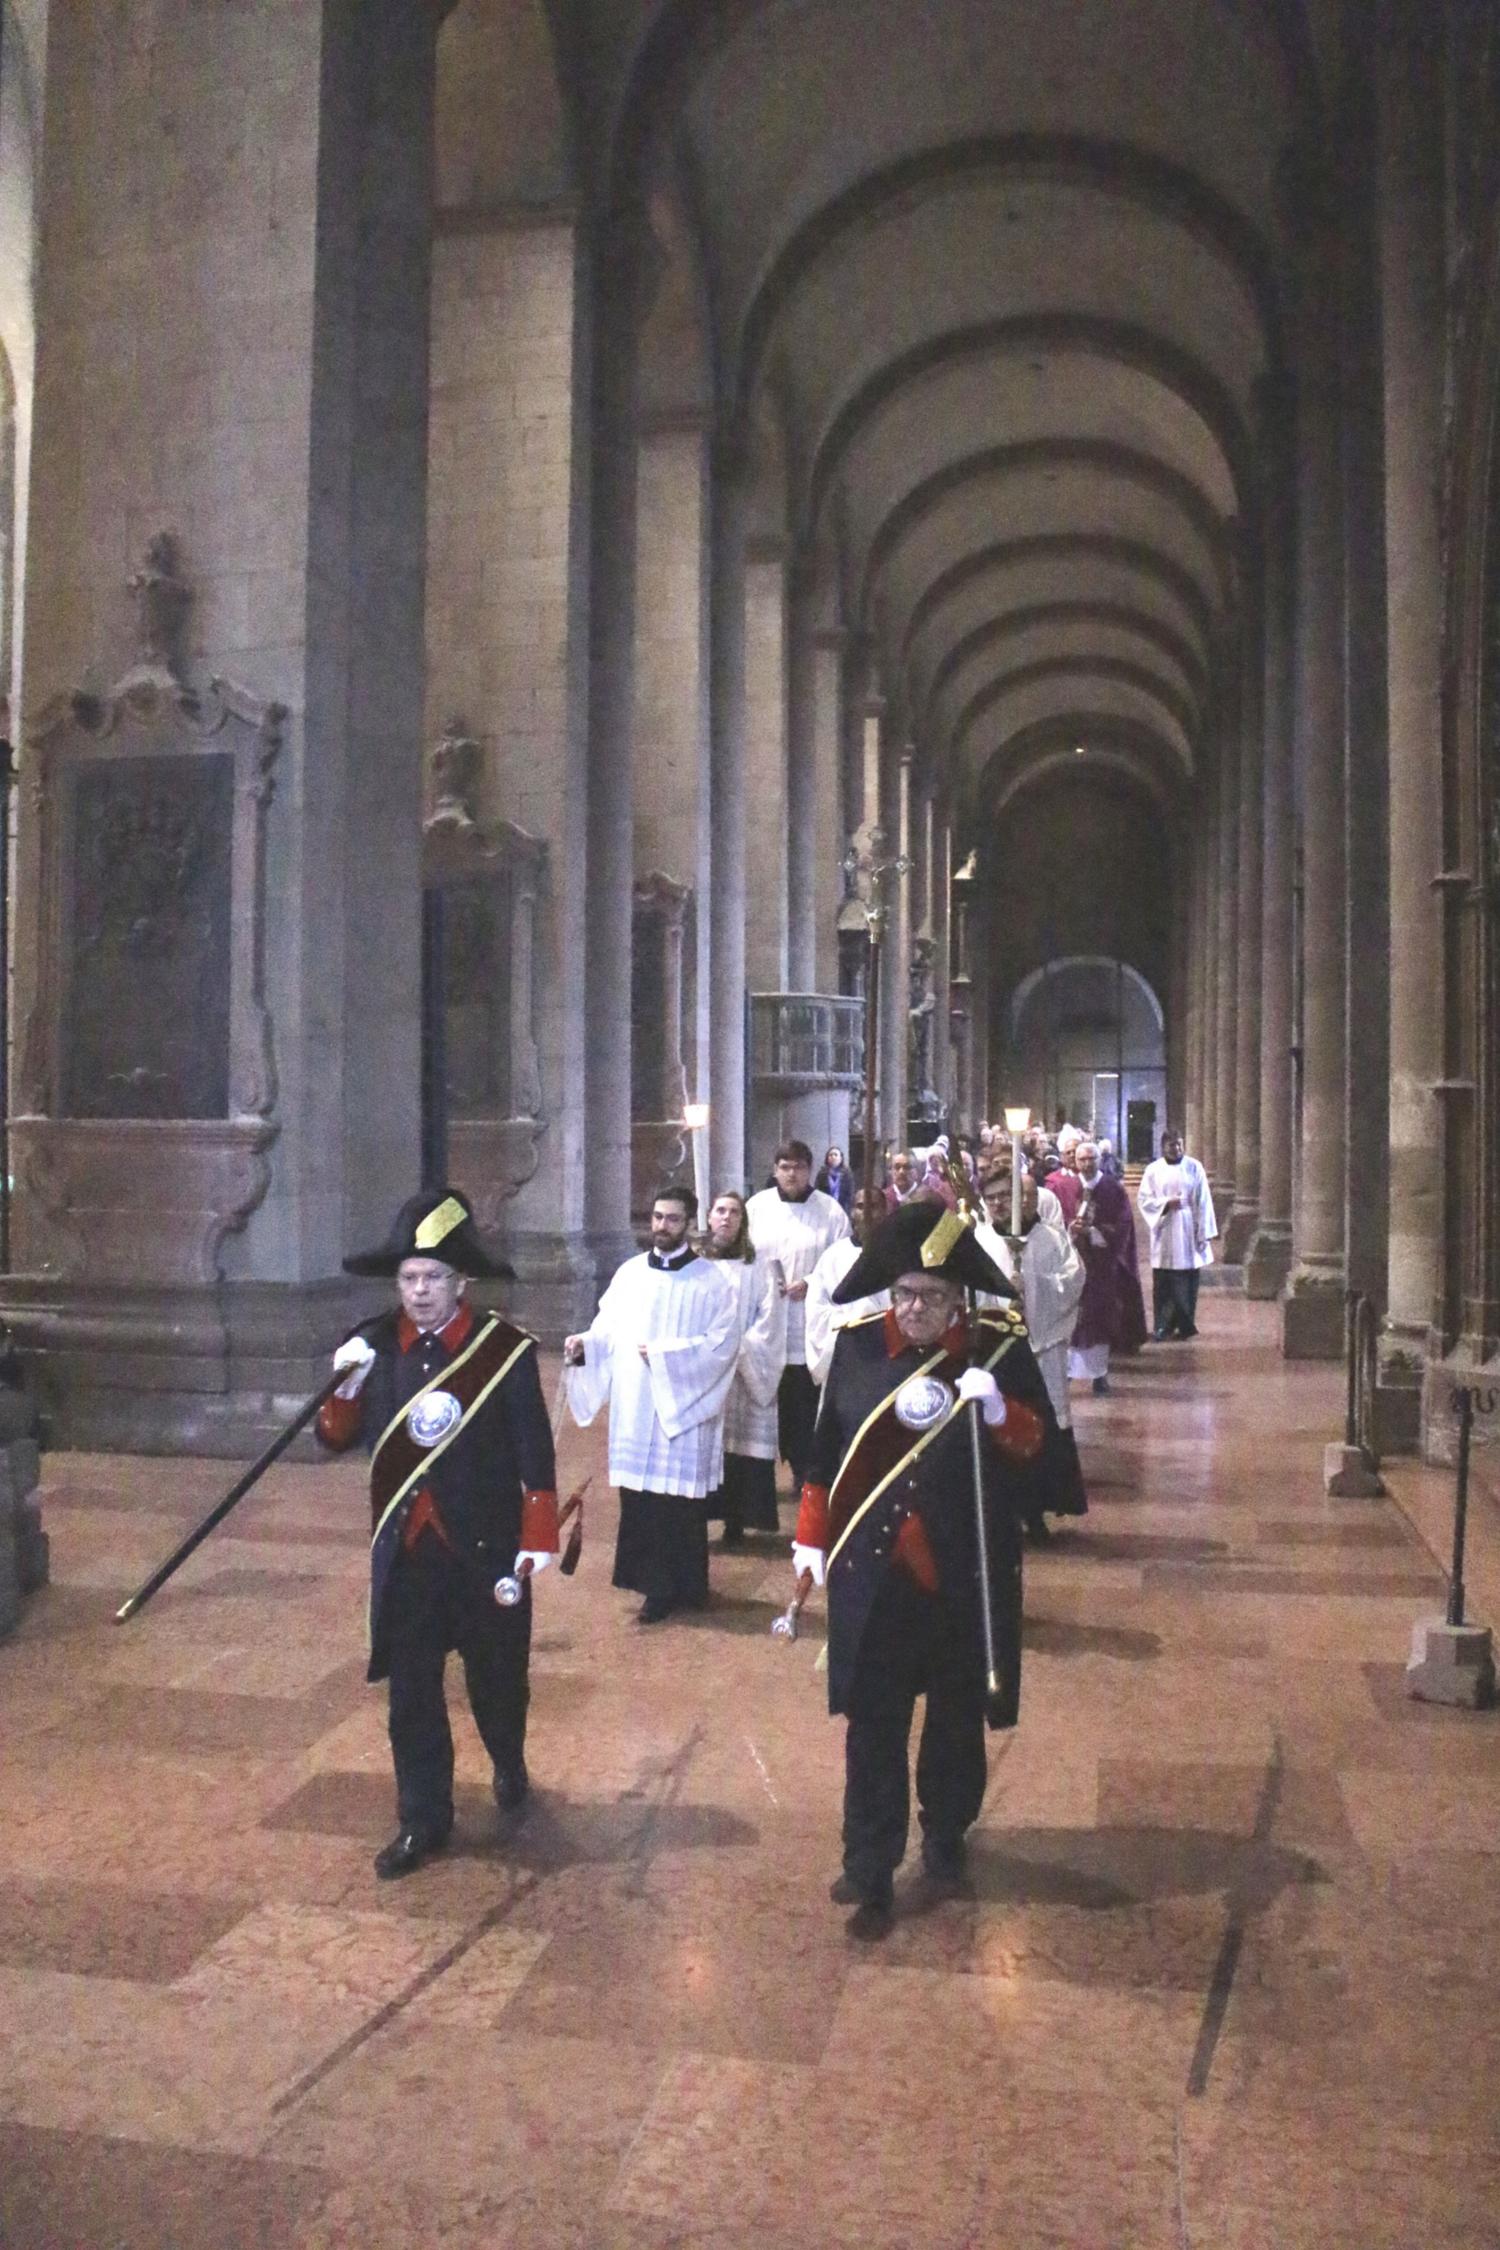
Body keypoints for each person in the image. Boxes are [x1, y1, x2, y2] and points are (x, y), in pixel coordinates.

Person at [792, 1201, 1049, 1930]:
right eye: (904, 1294)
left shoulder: (997, 1352)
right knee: (872, 1726)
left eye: (932, 1298)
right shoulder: (857, 1347)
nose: (914, 1310)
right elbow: (825, 1454)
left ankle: (945, 1829)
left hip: (962, 1576)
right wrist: (811, 1539)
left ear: (958, 1299)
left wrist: (1001, 1412)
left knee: (953, 1721)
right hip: (873, 1580)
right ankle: (867, 1868)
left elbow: (1042, 1459)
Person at [317, 1188, 558, 1880]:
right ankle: (424, 1818)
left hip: (485, 1550)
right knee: (412, 1692)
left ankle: (508, 1760)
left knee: (498, 1681)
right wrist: (347, 1388)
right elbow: (334, 1437)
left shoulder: (503, 1352)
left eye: (432, 1279)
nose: (418, 1292)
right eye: (408, 1279)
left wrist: (536, 1532)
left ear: (461, 1284)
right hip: (410, 1553)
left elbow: (533, 1450)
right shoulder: (371, 1346)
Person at [564, 1184, 740, 1623]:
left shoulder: (713, 1282)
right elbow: (607, 1330)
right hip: (636, 1407)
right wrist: (584, 1345)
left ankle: (687, 1584)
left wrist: (665, 1355)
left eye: (672, 1219)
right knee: (640, 1500)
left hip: (682, 1409)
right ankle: (653, 1586)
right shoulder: (629, 1274)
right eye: (657, 1217)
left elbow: (723, 1345)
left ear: (690, 1224)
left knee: (677, 1505)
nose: (662, 1226)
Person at [977, 1171, 1088, 1530]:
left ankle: (1037, 1509)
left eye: (1004, 1197)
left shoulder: (1051, 1238)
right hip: (997, 1352)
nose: (997, 1204)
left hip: (1041, 1349)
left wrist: (1034, 1287)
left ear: (1022, 1199)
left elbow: (1073, 1282)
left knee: (1043, 1424)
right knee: (999, 1425)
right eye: (990, 1198)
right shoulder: (977, 1241)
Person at [745, 1140, 851, 1490]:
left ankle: (805, 1471)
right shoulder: (756, 1208)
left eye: (799, 1167)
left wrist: (811, 1281)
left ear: (809, 1170)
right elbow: (743, 1258)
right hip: (765, 1320)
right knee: (765, 1399)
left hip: (807, 1322)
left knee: (803, 1401)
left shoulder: (830, 1211)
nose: (791, 1174)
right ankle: (761, 1479)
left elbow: (842, 1260)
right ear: (775, 1170)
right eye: (785, 1166)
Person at [701, 1188, 786, 1545]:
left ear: (743, 1220)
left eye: (734, 1211)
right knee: (710, 1446)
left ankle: (738, 1519)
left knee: (743, 1447)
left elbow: (772, 1314)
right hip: (708, 1371)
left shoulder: (761, 1265)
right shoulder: (696, 1266)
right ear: (709, 1217)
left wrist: (742, 1347)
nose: (726, 1217)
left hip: (748, 1367)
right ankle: (707, 1513)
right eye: (720, 1210)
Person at [1051, 1135, 1147, 1394]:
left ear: (1099, 1159)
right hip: (1072, 1263)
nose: (1086, 1163)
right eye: (1081, 1159)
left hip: (1101, 1265)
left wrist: (1094, 1231)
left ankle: (1099, 1374)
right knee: (1074, 1319)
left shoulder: (1112, 1189)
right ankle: (1069, 1372)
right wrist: (1071, 1230)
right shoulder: (1065, 1188)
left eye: (1091, 1158)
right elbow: (1052, 1222)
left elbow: (1124, 1223)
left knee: (1099, 1318)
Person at [804, 1186, 889, 1384]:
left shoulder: (899, 1255)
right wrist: (855, 1318)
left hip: (888, 1358)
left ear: (885, 1211)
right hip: (844, 1359)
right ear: (851, 1213)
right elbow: (816, 1311)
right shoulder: (833, 1256)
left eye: (874, 1206)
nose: (866, 1214)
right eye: (860, 1207)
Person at [1137, 1129, 1218, 1339]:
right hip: (1165, 1228)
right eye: (1172, 1145)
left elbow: (1203, 1200)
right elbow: (1144, 1199)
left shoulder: (1194, 1167)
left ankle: (1185, 1325)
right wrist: (1165, 1204)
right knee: (1164, 1281)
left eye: (1180, 1144)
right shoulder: (1153, 1170)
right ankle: (1163, 1325)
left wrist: (1204, 1231)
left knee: (1187, 1278)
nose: (1177, 1149)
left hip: (1187, 1226)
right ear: (1163, 1146)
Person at [815, 1144, 856, 1214]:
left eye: (836, 1155)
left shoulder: (847, 1174)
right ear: (827, 1158)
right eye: (830, 1155)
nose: (833, 1157)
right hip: (826, 1209)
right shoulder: (822, 1173)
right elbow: (817, 1191)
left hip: (843, 1209)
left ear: (841, 1158)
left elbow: (850, 1193)